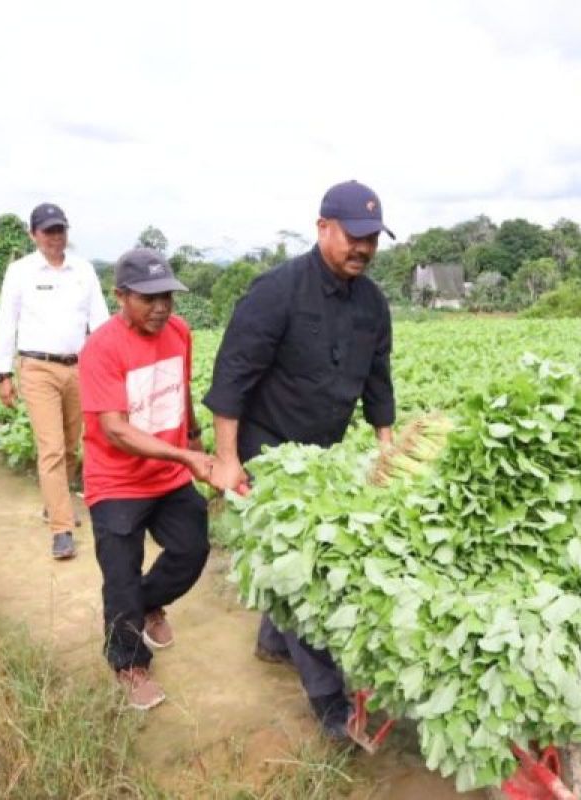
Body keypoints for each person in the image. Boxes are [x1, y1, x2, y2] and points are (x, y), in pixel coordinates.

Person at [204, 180, 396, 738]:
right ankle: (330, 704)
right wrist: (226, 459)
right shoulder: (277, 291)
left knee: (291, 561)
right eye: (354, 237)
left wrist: (388, 448)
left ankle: (271, 641)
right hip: (267, 447)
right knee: (304, 568)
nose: (363, 248)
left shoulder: (374, 304)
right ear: (323, 229)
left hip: (324, 454)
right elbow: (231, 378)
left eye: (372, 240)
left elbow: (378, 381)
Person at [78, 248, 215, 710]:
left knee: (192, 548)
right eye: (148, 298)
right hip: (116, 482)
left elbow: (182, 388)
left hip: (170, 473)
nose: (161, 308)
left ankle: (148, 605)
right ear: (121, 296)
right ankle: (130, 665)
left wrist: (193, 436)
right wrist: (184, 454)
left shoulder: (179, 332)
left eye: (168, 297)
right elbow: (115, 429)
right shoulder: (101, 348)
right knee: (120, 576)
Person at [0, 203, 109, 559]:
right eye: (47, 231)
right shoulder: (20, 271)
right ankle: (61, 527)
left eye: (60, 230)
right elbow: (5, 321)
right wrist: (3, 372)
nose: (55, 237)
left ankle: (52, 501)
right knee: (52, 447)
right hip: (37, 367)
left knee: (73, 444)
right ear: (34, 235)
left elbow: (100, 321)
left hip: (78, 368)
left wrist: (110, 367)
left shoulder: (83, 270)